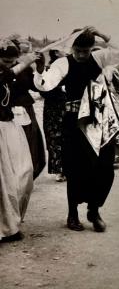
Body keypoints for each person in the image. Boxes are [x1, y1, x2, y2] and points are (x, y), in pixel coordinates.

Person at [34, 27, 119, 232]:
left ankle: (94, 210)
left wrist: (102, 33)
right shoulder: (63, 63)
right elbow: (45, 85)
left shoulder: (100, 57)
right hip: (74, 122)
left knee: (104, 167)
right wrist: (40, 69)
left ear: (92, 48)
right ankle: (72, 214)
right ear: (72, 48)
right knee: (75, 169)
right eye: (79, 51)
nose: (83, 55)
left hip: (99, 121)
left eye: (86, 50)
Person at [0, 39, 38, 242]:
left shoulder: (10, 74)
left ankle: (13, 220)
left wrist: (29, 64)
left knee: (25, 172)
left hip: (10, 126)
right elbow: (6, 75)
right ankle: (8, 227)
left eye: (10, 61)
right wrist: (23, 62)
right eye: (4, 61)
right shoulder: (6, 73)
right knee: (3, 181)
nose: (7, 64)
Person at [10, 41, 46, 179]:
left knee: (30, 144)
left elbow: (36, 86)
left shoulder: (25, 69)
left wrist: (40, 68)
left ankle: (26, 177)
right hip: (5, 114)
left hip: (25, 110)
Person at [41, 49, 67, 182]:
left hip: (69, 106)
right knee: (55, 138)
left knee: (69, 137)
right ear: (57, 53)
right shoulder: (48, 69)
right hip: (53, 109)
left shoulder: (70, 65)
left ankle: (69, 168)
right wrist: (60, 89)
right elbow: (43, 91)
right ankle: (59, 170)